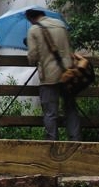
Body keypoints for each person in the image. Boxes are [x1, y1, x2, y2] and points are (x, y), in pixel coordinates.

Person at [25, 8, 81, 141]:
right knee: (71, 109)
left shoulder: (34, 30)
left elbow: (32, 57)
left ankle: (52, 143)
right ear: (43, 14)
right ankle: (76, 141)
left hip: (49, 77)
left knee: (50, 113)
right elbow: (69, 47)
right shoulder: (61, 25)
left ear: (31, 18)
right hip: (68, 74)